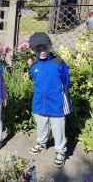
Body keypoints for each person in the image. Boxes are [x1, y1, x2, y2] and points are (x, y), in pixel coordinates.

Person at [28, 32, 71, 168]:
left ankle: (60, 151)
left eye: (45, 48)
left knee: (58, 128)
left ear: (50, 46)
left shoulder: (59, 63)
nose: (42, 52)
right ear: (32, 51)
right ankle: (41, 143)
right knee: (41, 125)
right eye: (38, 50)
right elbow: (36, 82)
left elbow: (66, 81)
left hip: (56, 103)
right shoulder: (34, 66)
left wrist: (60, 98)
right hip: (39, 104)